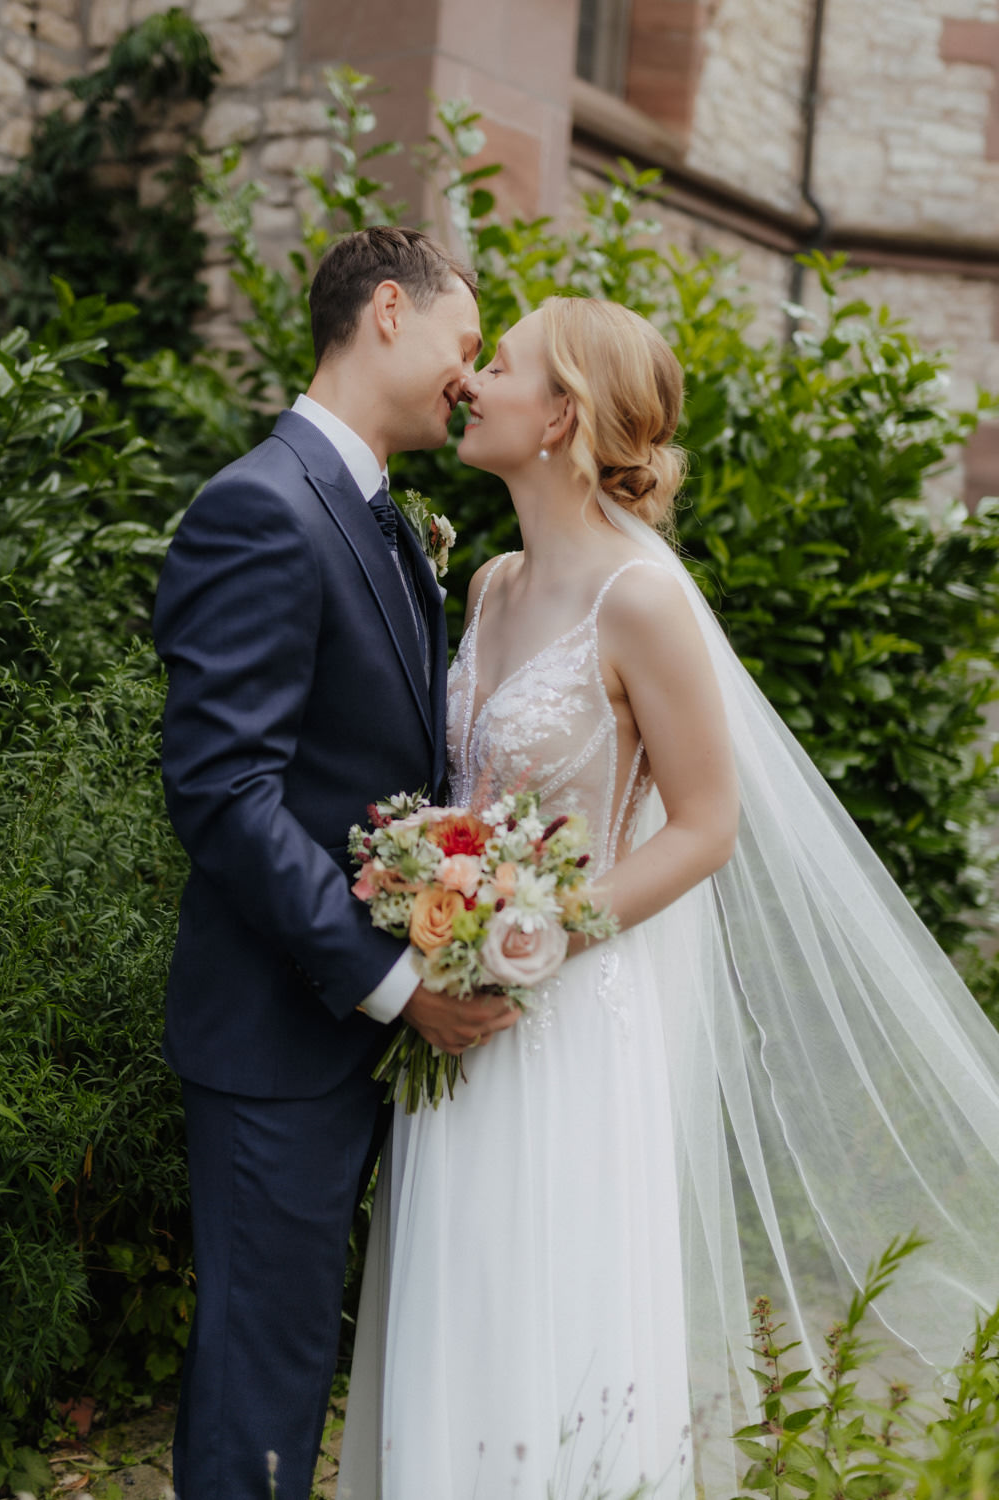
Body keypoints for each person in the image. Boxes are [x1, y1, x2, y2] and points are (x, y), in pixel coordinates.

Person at [336, 296, 999, 1500]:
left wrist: (536, 935)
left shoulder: (641, 601)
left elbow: (705, 824)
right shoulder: (488, 585)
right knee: (461, 1285)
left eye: (504, 366)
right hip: (459, 1011)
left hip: (570, 1018)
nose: (473, 381)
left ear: (562, 418)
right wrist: (431, 886)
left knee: (549, 1294)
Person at [153, 226, 517, 1500]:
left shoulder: (380, 520)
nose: (468, 380)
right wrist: (392, 979)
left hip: (346, 1047)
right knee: (262, 1374)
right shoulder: (261, 506)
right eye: (462, 347)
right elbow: (224, 791)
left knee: (301, 1365)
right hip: (277, 1036)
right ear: (383, 313)